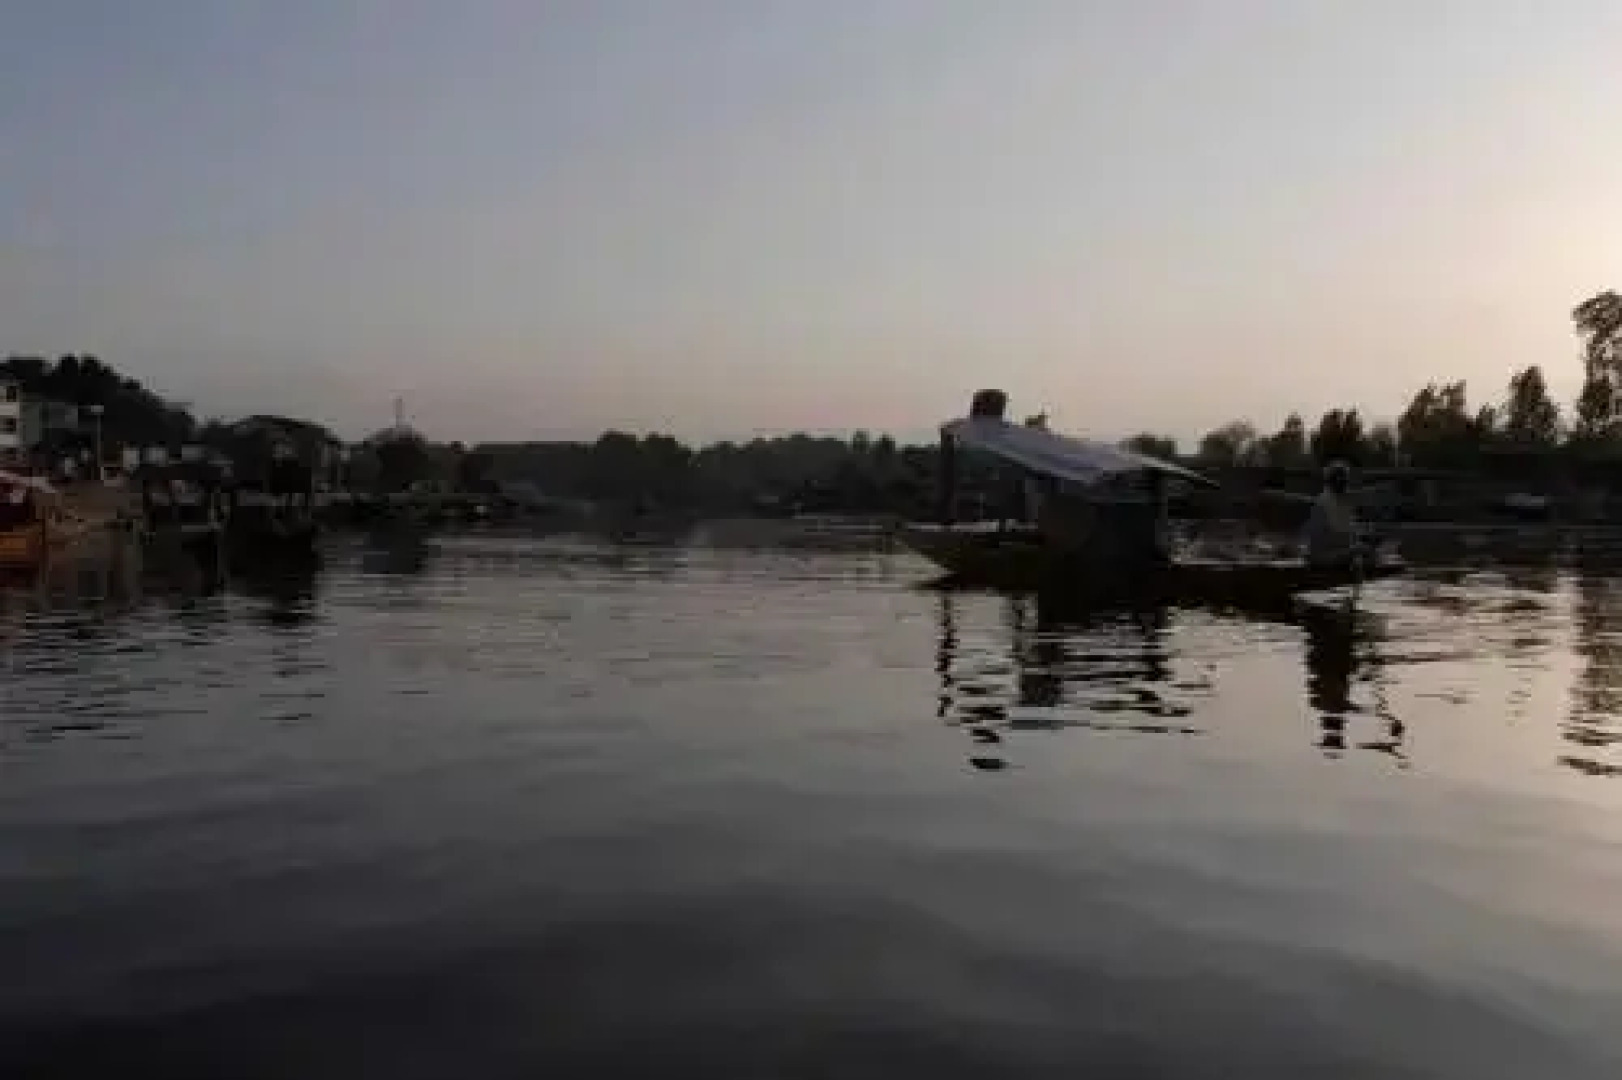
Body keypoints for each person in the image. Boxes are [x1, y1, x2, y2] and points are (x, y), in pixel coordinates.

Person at [1302, 461, 1365, 569]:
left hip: (1340, 552)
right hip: (1324, 555)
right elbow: (1319, 541)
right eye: (1339, 480)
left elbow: (1351, 532)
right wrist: (1350, 549)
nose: (1343, 484)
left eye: (1345, 480)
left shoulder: (1346, 503)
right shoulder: (1323, 503)